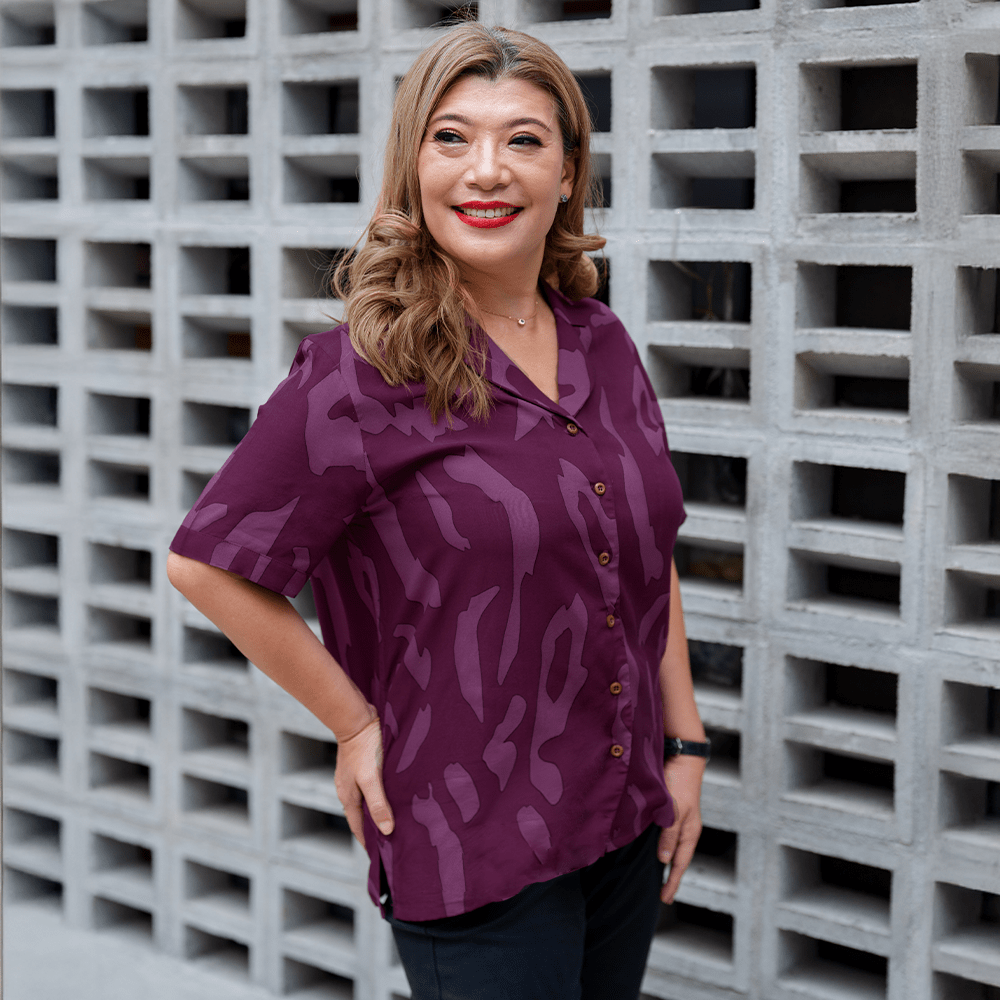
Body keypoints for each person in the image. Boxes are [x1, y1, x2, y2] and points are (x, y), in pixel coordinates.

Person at [167, 22, 708, 999]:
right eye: (451, 138)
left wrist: (687, 745)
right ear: (412, 165)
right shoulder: (356, 374)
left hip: (621, 816)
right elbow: (206, 563)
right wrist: (354, 724)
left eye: (524, 140)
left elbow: (642, 553)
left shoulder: (602, 339)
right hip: (473, 843)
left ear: (568, 171)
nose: (486, 171)